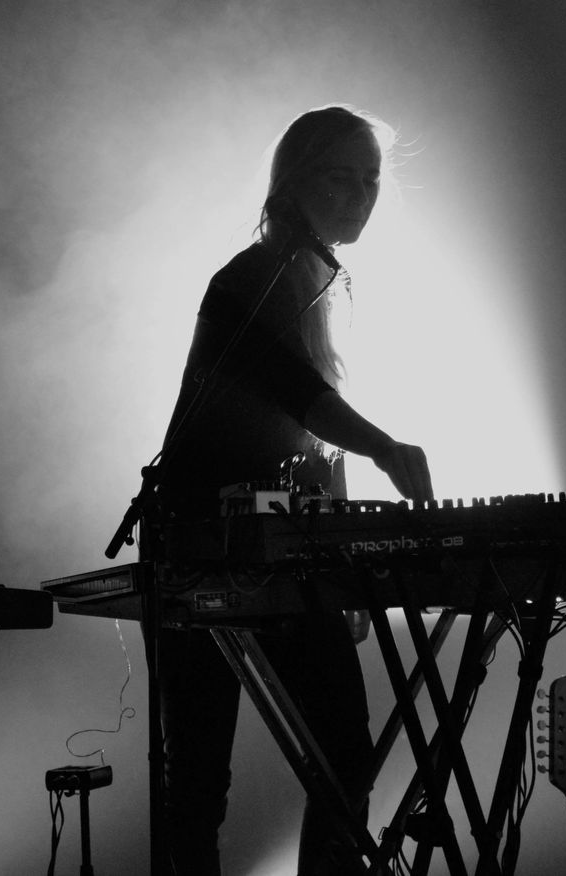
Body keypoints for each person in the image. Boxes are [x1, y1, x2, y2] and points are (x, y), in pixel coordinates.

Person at [153, 103, 432, 876]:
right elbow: (296, 393)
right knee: (198, 777)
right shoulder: (250, 280)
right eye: (340, 177)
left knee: (345, 748)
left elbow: (307, 442)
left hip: (287, 552)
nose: (359, 195)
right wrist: (384, 448)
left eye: (371, 180)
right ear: (293, 181)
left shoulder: (319, 284)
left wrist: (342, 561)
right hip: (200, 542)